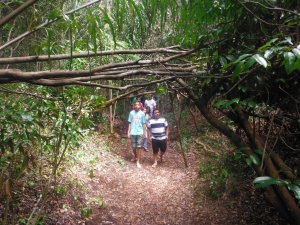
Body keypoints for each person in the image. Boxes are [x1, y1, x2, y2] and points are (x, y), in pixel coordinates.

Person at [127, 101, 147, 168]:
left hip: (139, 132)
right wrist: (128, 132)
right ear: (134, 106)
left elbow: (144, 123)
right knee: (133, 147)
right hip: (133, 132)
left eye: (138, 105)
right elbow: (129, 123)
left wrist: (144, 133)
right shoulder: (131, 113)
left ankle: (138, 161)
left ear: (140, 106)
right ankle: (135, 156)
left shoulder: (142, 114)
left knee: (138, 147)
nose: (137, 106)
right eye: (135, 105)